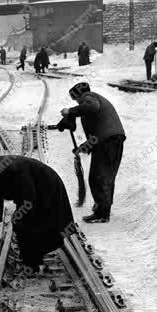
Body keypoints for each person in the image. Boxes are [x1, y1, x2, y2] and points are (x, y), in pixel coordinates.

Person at [0, 154, 74, 274]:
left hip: (46, 187)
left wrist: (19, 216)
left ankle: (32, 264)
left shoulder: (11, 170)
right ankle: (31, 261)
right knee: (23, 223)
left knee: (28, 224)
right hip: (32, 191)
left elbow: (29, 199)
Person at [61, 82, 126, 223]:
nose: (77, 102)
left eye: (75, 99)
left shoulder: (89, 98)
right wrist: (81, 148)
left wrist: (70, 111)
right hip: (110, 141)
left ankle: (102, 213)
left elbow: (91, 106)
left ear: (80, 95)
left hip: (109, 142)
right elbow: (95, 138)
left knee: (99, 177)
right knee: (104, 176)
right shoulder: (90, 111)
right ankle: (104, 209)